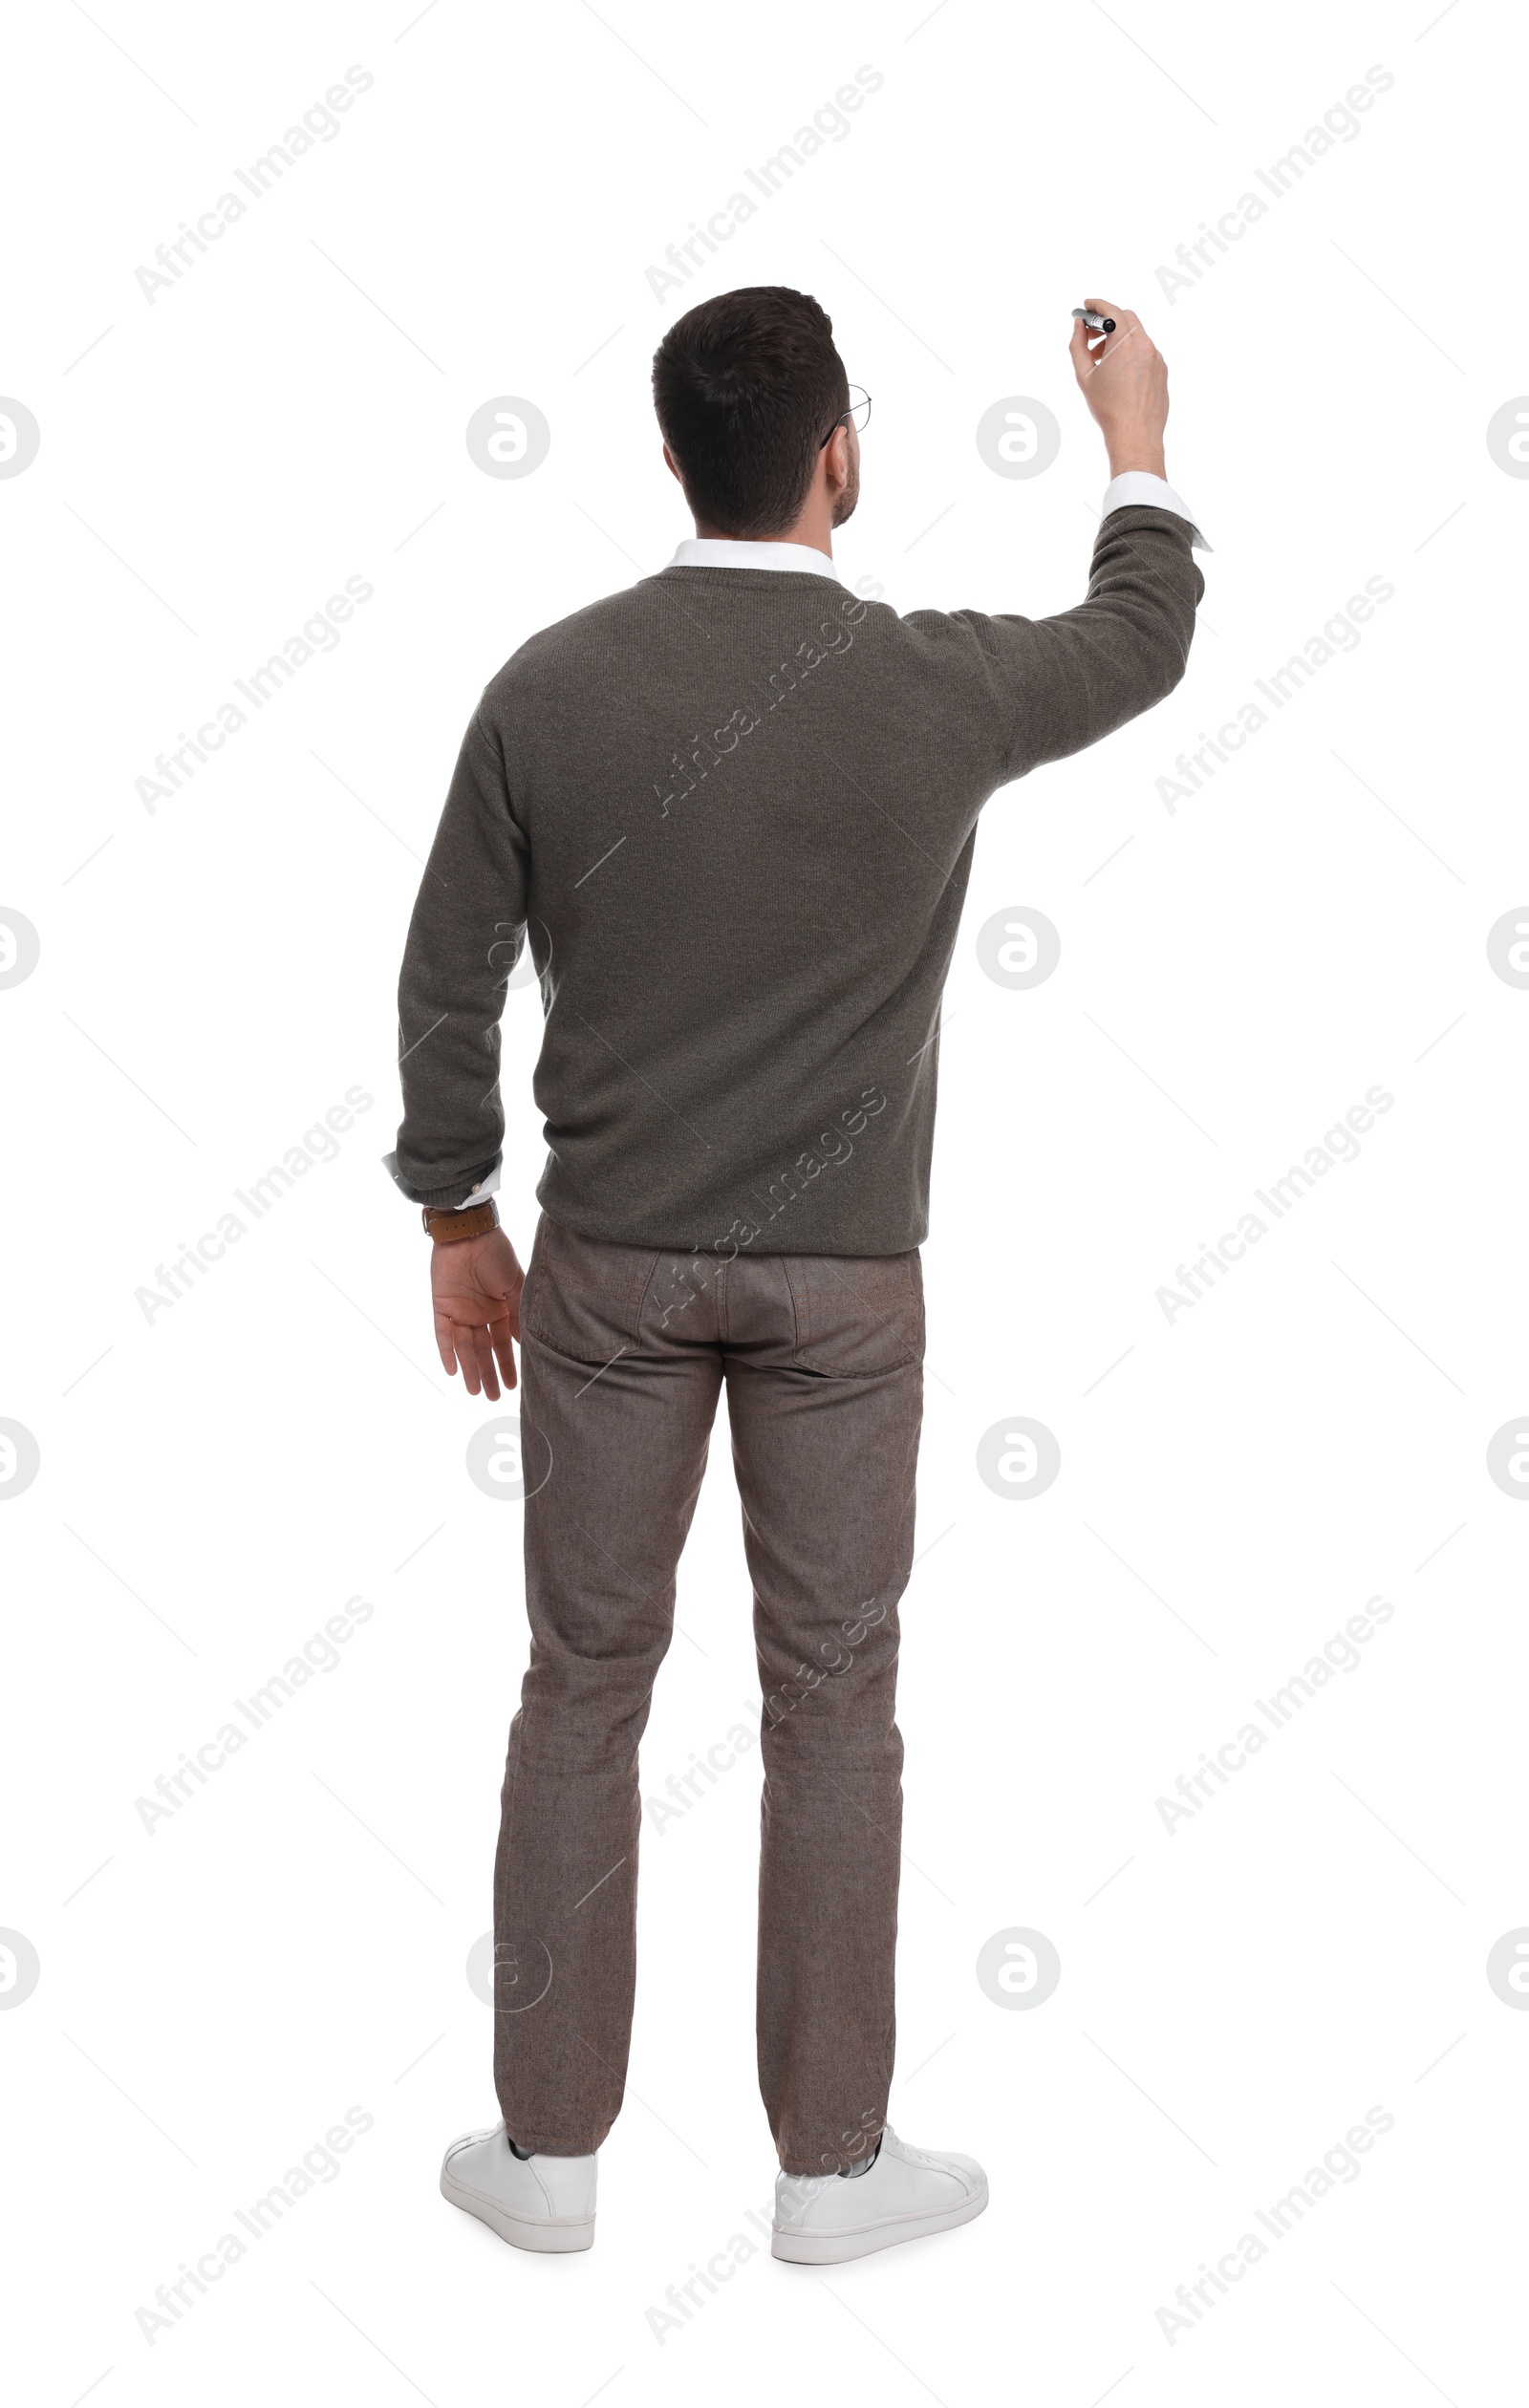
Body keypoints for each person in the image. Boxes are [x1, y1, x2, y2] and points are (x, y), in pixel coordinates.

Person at [386, 285, 1206, 2263]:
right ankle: (831, 2172)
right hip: (846, 1289)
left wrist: (454, 1217)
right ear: (838, 454)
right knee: (835, 1701)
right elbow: (1140, 637)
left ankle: (550, 2162)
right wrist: (1134, 436)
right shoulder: (934, 685)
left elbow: (445, 980)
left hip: (605, 1276)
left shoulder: (549, 685)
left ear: (671, 455)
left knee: (581, 1687)